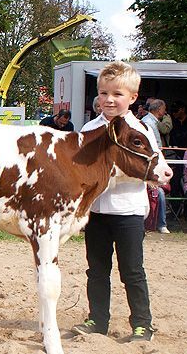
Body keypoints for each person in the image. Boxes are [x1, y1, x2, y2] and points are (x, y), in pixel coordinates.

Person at [72, 61, 158, 342]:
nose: (109, 99)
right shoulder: (90, 128)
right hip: (96, 212)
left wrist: (108, 173)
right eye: (104, 93)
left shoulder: (140, 130)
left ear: (132, 98)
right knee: (96, 270)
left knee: (132, 271)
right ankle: (97, 320)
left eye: (117, 94)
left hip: (128, 212)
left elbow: (151, 169)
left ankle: (143, 324)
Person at [141, 99, 170, 234]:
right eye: (164, 109)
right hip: (150, 166)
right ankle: (159, 224)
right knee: (159, 193)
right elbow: (153, 148)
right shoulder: (148, 123)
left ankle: (159, 223)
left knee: (160, 193)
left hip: (155, 163)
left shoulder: (152, 122)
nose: (164, 112)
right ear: (159, 110)